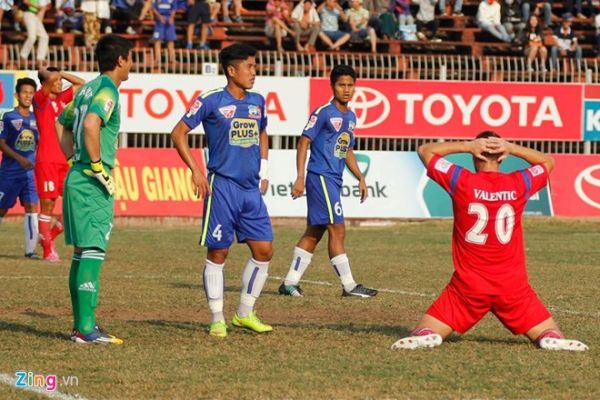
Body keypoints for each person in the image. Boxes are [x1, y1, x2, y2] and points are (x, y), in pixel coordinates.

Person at [391, 132, 589, 352]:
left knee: (425, 330)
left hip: (468, 286)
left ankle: (428, 335)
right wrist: (511, 147)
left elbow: (425, 151)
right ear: (502, 158)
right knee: (550, 332)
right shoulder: (519, 183)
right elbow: (548, 162)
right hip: (512, 286)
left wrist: (467, 145)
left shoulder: (462, 180)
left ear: (475, 156)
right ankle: (548, 337)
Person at [170, 43, 274, 338]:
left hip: (250, 188)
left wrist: (264, 170)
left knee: (264, 250)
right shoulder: (211, 100)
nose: (254, 72)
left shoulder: (258, 101)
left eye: (255, 66)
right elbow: (178, 133)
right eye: (249, 66)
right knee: (219, 252)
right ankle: (217, 317)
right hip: (223, 186)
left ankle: (244, 313)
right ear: (231, 70)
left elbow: (263, 131)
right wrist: (196, 170)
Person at [57, 34, 133, 344]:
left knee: (81, 253)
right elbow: (90, 125)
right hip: (91, 180)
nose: (130, 65)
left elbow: (60, 123)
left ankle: (82, 326)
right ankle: (86, 330)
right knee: (93, 252)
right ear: (120, 61)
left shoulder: (86, 88)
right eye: (130, 59)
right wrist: (98, 166)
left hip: (77, 175)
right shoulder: (106, 89)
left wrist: (73, 157)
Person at [279, 65, 377, 299]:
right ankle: (349, 285)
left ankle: (289, 283)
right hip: (320, 176)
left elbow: (347, 150)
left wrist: (361, 177)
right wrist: (300, 177)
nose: (346, 89)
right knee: (338, 228)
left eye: (350, 85)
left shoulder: (351, 116)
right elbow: (304, 142)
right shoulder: (323, 112)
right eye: (341, 85)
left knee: (315, 231)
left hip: (334, 179)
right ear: (332, 86)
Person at [33, 67, 85, 262]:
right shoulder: (40, 100)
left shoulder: (62, 100)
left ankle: (49, 237)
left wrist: (61, 72)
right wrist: (50, 74)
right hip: (46, 160)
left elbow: (80, 84)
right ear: (47, 82)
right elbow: (47, 78)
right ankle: (48, 251)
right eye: (56, 80)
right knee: (48, 205)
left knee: (76, 202)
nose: (60, 82)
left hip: (65, 159)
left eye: (60, 80)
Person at [0, 78, 40, 259]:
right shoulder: (9, 117)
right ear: (17, 95)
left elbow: (39, 144)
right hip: (9, 173)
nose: (28, 96)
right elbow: (1, 143)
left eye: (31, 93)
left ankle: (30, 251)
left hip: (29, 174)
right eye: (25, 92)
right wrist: (19, 159)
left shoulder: (35, 118)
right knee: (2, 209)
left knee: (32, 207)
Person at [19, 0, 49, 64]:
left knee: (44, 36)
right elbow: (25, 1)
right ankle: (23, 56)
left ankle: (40, 58)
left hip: (35, 15)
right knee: (32, 37)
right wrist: (37, 7)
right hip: (28, 13)